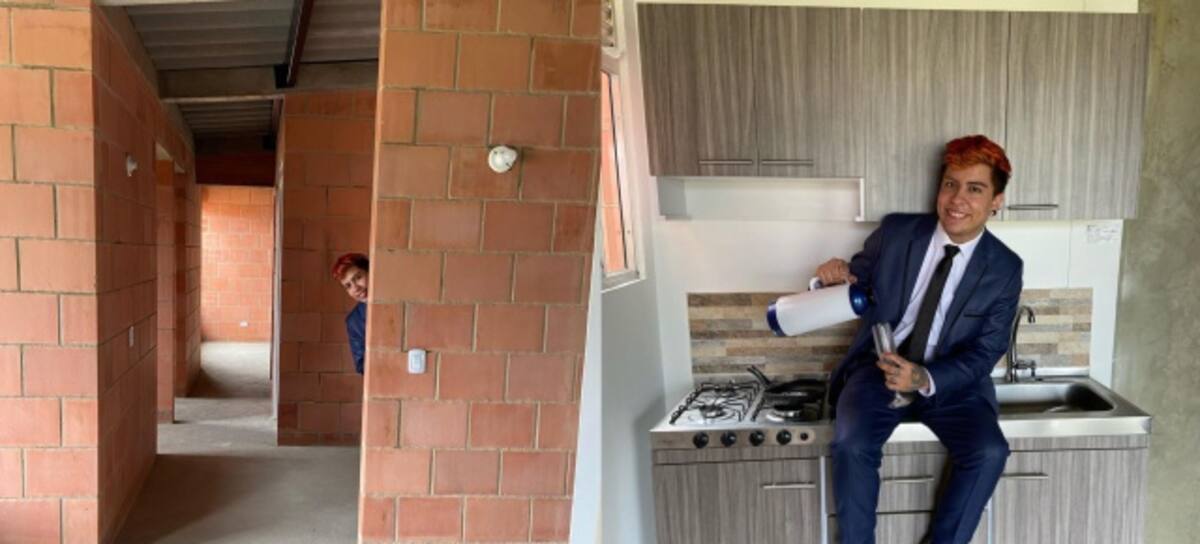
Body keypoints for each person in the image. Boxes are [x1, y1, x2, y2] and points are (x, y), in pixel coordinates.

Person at [816, 135, 1023, 544]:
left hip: (951, 382)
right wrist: (831, 281)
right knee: (852, 444)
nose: (957, 199)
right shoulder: (896, 232)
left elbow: (986, 352)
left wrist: (924, 378)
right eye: (950, 184)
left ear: (996, 201)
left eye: (974, 188)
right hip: (878, 369)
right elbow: (856, 287)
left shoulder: (1005, 268)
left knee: (989, 452)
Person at [332, 253, 369, 375]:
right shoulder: (354, 321)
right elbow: (361, 366)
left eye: (358, 277)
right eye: (348, 286)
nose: (355, 288)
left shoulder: (399, 300)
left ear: (370, 272)